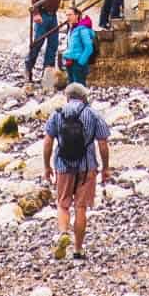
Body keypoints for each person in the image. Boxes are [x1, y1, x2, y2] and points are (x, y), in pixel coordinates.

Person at [42, 81, 111, 261]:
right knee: (81, 207)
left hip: (63, 165)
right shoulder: (94, 114)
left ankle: (64, 232)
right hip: (87, 167)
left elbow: (48, 141)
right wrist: (105, 168)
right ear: (84, 97)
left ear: (67, 96)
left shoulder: (57, 114)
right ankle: (78, 250)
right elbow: (103, 144)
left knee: (63, 204)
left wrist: (47, 166)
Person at [25, 0, 67, 88]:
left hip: (53, 15)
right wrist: (36, 14)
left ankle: (47, 75)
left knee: (53, 45)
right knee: (37, 43)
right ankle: (28, 69)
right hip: (42, 15)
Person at [60, 8, 96, 86]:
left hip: (78, 63)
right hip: (70, 62)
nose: (68, 17)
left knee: (79, 88)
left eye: (70, 15)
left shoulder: (82, 29)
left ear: (77, 15)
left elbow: (89, 47)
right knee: (71, 88)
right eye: (66, 15)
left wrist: (81, 62)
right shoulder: (72, 29)